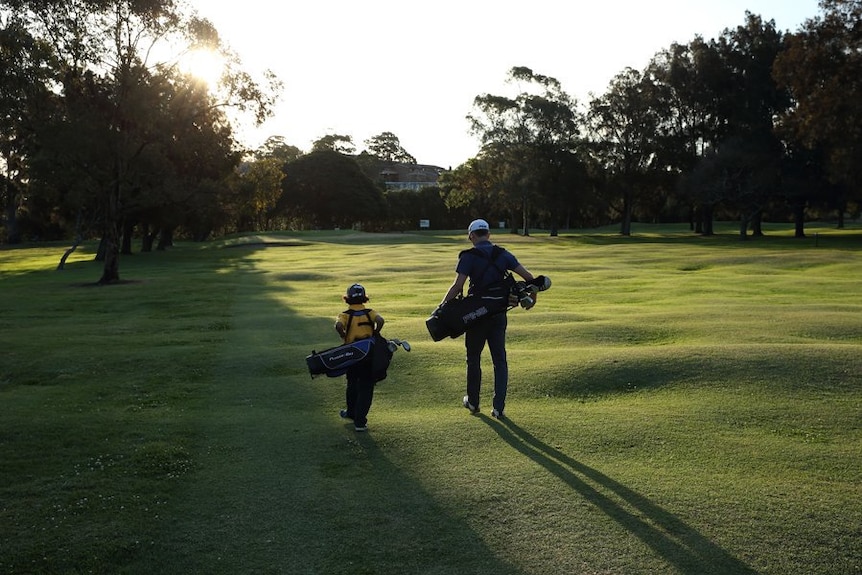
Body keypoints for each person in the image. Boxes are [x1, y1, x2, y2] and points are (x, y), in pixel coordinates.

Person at [438, 219, 537, 419]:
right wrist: (532, 300)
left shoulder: (468, 256)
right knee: (499, 360)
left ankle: (473, 402)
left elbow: (458, 286)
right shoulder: (504, 254)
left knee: (473, 358)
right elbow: (530, 278)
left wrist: (440, 308)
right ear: (489, 234)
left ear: (471, 236)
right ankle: (498, 408)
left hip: (476, 315)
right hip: (499, 313)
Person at [335, 283, 384, 432]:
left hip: (352, 353)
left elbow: (338, 325)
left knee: (352, 384)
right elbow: (380, 320)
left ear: (348, 298)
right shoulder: (370, 312)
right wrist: (375, 332)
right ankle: (360, 422)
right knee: (366, 386)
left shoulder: (345, 314)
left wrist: (343, 335)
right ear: (364, 298)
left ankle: (351, 413)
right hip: (369, 353)